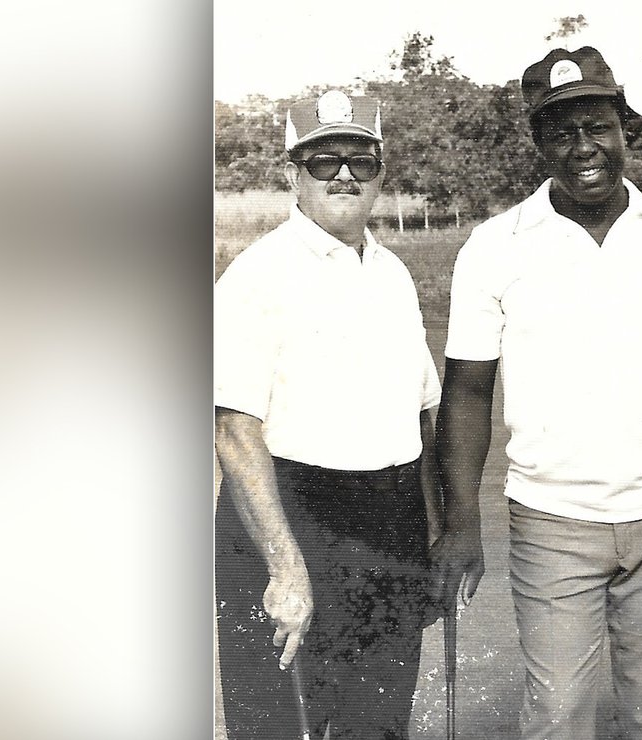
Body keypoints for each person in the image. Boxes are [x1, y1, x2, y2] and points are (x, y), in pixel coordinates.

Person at [431, 46, 642, 740]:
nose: (583, 147)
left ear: (624, 129)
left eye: (597, 125)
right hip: (550, 517)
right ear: (538, 143)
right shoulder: (494, 246)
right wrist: (462, 517)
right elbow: (469, 393)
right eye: (562, 131)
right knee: (559, 714)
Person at [214, 90, 442, 740]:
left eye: (359, 160)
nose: (343, 174)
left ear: (379, 172)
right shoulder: (256, 276)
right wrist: (286, 569)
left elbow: (418, 417)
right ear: (294, 172)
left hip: (388, 520)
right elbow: (234, 431)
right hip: (288, 518)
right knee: (278, 725)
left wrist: (427, 542)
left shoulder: (394, 274)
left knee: (378, 722)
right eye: (323, 160)